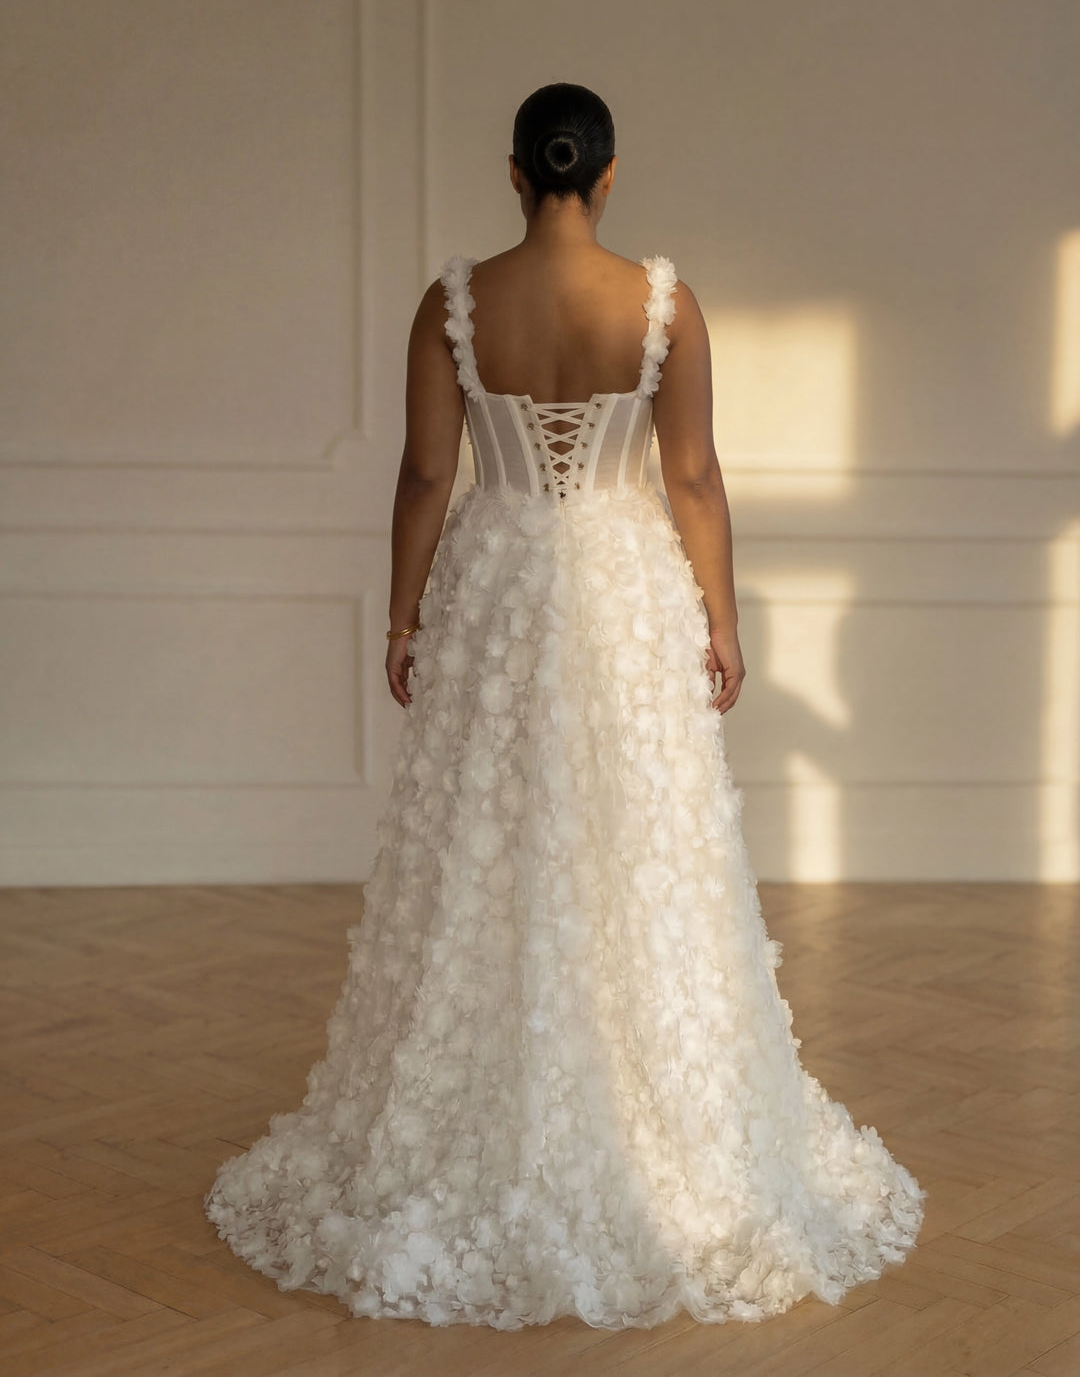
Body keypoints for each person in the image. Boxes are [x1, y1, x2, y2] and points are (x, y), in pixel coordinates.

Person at [204, 82, 926, 1330]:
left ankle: (477, 1103)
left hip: (496, 585)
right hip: (622, 588)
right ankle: (653, 1111)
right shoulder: (662, 304)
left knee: (488, 843)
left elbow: (427, 472)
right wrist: (723, 620)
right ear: (606, 173)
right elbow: (690, 475)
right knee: (636, 844)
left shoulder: (455, 302)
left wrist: (402, 617)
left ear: (514, 171)